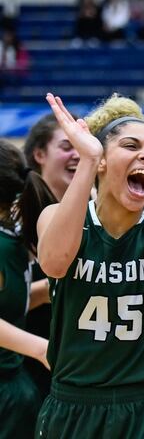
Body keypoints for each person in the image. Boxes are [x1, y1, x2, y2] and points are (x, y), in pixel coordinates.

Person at [35, 68, 144, 437]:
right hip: (76, 404)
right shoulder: (58, 215)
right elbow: (53, 263)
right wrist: (87, 160)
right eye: (131, 147)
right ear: (100, 160)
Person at [22, 111, 82, 397]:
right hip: (29, 365)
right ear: (39, 154)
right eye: (66, 146)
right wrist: (50, 288)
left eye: (80, 146)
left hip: (83, 363)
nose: (77, 154)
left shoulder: (102, 212)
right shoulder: (17, 217)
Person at [0, 140, 54, 439]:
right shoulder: (13, 241)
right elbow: (12, 304)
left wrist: (40, 348)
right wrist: (50, 288)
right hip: (16, 389)